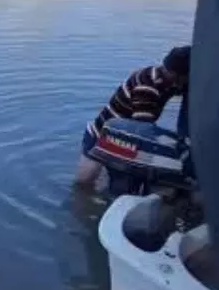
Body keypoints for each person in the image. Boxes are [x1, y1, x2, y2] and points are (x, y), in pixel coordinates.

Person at [74, 45, 191, 187]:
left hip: (121, 137)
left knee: (103, 179)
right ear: (177, 75)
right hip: (101, 134)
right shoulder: (147, 88)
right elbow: (142, 128)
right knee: (84, 183)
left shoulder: (166, 80)